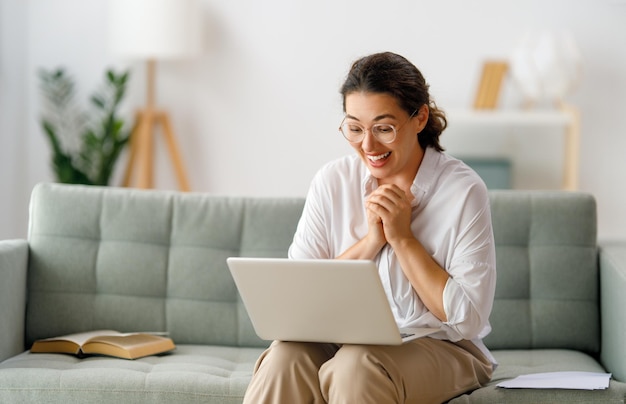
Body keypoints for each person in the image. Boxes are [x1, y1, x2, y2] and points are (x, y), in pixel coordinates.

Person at [243, 51, 497, 404]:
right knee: (284, 357)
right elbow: (299, 298)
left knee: (357, 365)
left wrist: (403, 238)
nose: (368, 145)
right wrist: (373, 241)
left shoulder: (463, 191)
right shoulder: (332, 181)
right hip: (341, 340)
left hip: (443, 346)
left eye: (384, 128)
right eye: (355, 128)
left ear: (420, 117)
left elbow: (467, 320)